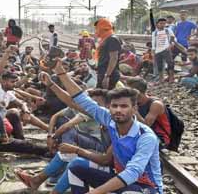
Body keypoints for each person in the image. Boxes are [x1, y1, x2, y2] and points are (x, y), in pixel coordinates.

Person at [52, 60, 164, 194]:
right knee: (76, 166)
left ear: (134, 109)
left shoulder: (146, 136)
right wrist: (61, 73)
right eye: (114, 106)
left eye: (124, 106)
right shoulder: (110, 120)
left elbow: (133, 172)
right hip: (120, 178)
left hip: (146, 186)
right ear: (109, 107)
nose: (118, 110)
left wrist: (95, 192)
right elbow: (83, 100)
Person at [123, 77, 172, 148]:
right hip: (143, 134)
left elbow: (146, 126)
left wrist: (135, 112)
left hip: (159, 138)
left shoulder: (155, 104)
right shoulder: (136, 101)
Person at [95, 18, 122, 90]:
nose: (96, 30)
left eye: (97, 28)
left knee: (104, 96)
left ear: (103, 27)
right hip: (104, 72)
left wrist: (107, 76)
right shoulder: (106, 38)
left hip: (109, 74)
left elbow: (114, 58)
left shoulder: (112, 39)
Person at [151, 18, 175, 83]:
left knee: (170, 63)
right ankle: (161, 79)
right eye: (161, 23)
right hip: (157, 51)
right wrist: (153, 51)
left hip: (166, 50)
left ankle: (171, 78)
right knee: (159, 65)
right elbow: (153, 42)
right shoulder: (154, 33)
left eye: (164, 23)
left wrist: (170, 44)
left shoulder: (168, 30)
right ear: (157, 24)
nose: (163, 25)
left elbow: (173, 37)